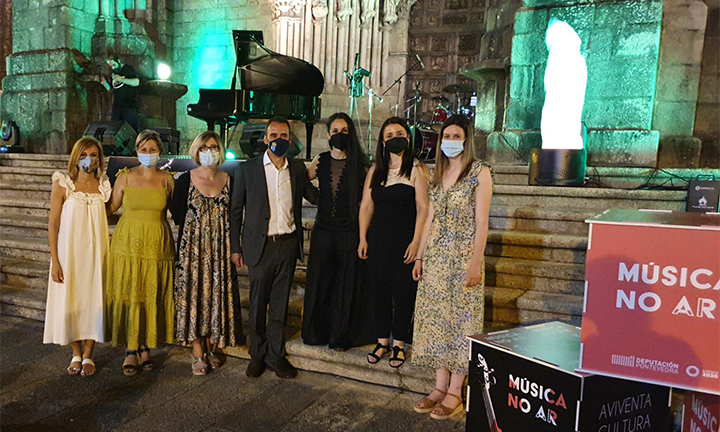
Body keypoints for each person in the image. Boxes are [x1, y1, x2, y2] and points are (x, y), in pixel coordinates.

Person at [411, 115, 493, 420]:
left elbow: (482, 222)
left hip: (463, 258)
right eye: (447, 136)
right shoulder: (438, 173)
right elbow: (430, 218)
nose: (451, 141)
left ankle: (456, 391)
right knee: (436, 320)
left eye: (457, 136)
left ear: (466, 140)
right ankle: (439, 387)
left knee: (460, 322)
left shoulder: (479, 172)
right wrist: (420, 256)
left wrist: (475, 263)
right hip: (435, 260)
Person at [230, 117, 319, 379]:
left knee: (279, 304)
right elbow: (236, 211)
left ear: (290, 139)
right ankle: (257, 355)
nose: (278, 139)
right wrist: (235, 247)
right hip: (260, 245)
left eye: (283, 135)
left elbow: (313, 196)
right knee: (258, 304)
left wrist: (331, 176)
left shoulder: (297, 168)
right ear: (265, 138)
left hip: (287, 244)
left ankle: (275, 355)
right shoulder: (248, 169)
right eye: (273, 135)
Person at [358, 117, 429, 368]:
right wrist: (362, 237)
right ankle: (381, 341)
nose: (394, 139)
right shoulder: (375, 170)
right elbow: (366, 206)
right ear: (382, 141)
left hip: (405, 240)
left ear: (408, 137)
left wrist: (416, 242)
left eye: (399, 134)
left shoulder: (417, 169)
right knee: (379, 291)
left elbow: (423, 208)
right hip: (379, 239)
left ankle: (398, 342)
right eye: (388, 136)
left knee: (403, 292)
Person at [106, 130, 175, 376]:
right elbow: (111, 208)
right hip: (128, 245)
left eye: (153, 149)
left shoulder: (167, 179)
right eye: (144, 149)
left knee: (150, 293)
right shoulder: (124, 177)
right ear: (136, 151)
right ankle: (130, 348)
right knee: (131, 292)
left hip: (157, 246)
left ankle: (146, 345)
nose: (148, 153)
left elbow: (177, 210)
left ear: (160, 152)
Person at [302, 112, 374, 350]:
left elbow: (368, 202)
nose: (339, 135)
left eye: (344, 131)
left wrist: (363, 237)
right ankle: (317, 333)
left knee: (345, 283)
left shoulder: (361, 165)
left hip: (349, 232)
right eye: (335, 131)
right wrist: (318, 199)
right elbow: (303, 181)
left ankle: (340, 335)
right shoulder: (321, 160)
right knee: (321, 281)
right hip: (323, 231)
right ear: (328, 135)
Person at [170, 131, 239, 376]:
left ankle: (210, 345)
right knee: (194, 295)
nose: (209, 152)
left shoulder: (230, 180)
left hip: (220, 251)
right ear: (196, 151)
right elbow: (177, 214)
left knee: (215, 296)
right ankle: (197, 349)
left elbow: (236, 214)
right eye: (203, 148)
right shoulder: (184, 180)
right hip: (193, 251)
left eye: (213, 147)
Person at [44, 137, 111, 377]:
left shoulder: (104, 186)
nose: (88, 159)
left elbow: (108, 214)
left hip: (96, 252)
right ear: (75, 157)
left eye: (93, 155)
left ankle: (89, 353)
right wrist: (55, 260)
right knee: (71, 298)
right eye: (84, 154)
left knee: (94, 298)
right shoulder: (63, 184)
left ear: (99, 160)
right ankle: (75, 352)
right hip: (69, 252)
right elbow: (53, 224)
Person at [101, 55, 140, 132]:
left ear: (119, 61)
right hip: (117, 106)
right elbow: (112, 88)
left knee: (130, 129)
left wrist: (121, 79)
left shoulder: (128, 69)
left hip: (129, 105)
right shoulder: (114, 72)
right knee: (115, 129)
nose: (113, 67)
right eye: (111, 66)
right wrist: (104, 83)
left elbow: (136, 82)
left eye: (114, 65)